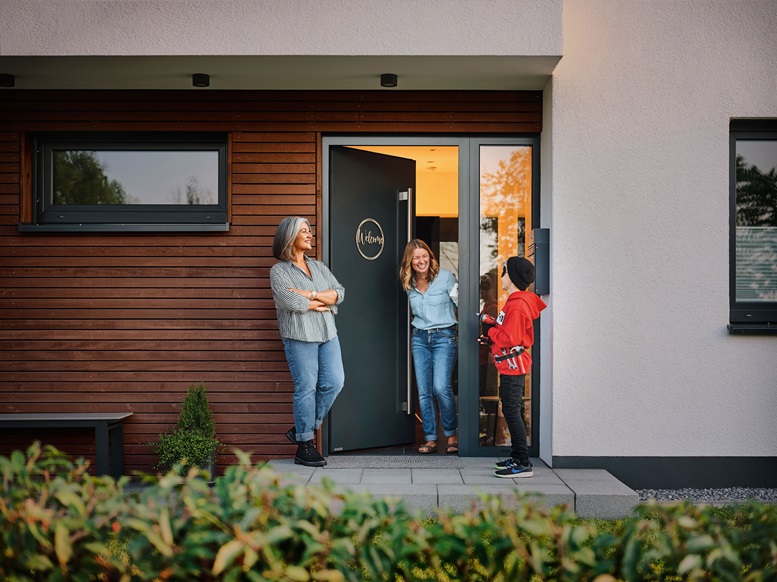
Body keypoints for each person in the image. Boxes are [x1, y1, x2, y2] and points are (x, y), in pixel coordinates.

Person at [270, 216, 345, 467]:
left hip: (327, 333)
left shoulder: (320, 267)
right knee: (306, 388)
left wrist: (310, 294)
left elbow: (339, 294)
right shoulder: (279, 271)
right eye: (304, 230)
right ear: (290, 236)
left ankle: (306, 425)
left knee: (335, 382)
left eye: (310, 230)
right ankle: (304, 445)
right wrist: (317, 303)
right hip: (299, 336)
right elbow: (289, 302)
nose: (310, 234)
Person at [478, 256, 546, 478]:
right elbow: (507, 332)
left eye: (504, 272)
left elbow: (511, 338)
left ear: (513, 277)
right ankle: (518, 457)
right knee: (512, 409)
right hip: (510, 365)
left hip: (512, 367)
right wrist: (492, 329)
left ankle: (522, 463)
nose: (502, 276)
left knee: (511, 411)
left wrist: (491, 332)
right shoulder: (514, 302)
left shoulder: (516, 305)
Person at [399, 239, 459, 454]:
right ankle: (431, 438)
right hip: (420, 338)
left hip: (444, 336)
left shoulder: (446, 278)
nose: (421, 260)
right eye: (416, 257)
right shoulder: (408, 282)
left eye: (424, 256)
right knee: (424, 391)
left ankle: (452, 435)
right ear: (410, 261)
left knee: (440, 387)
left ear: (430, 257)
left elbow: (463, 303)